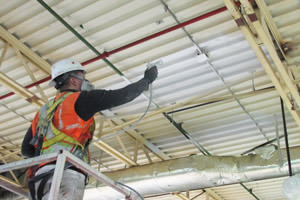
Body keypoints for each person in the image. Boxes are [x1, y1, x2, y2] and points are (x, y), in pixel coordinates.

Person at [21, 58, 158, 200]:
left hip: (40, 178)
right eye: (82, 77)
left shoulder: (43, 110)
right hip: (66, 173)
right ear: (73, 80)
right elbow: (123, 95)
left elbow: (26, 149)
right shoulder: (82, 99)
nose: (85, 81)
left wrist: (48, 161)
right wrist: (147, 79)